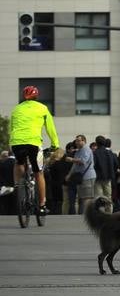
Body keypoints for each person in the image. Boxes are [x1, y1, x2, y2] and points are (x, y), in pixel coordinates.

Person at [6, 86, 60, 214]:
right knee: (38, 172)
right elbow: (50, 129)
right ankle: (42, 205)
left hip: (17, 142)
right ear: (37, 96)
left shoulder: (16, 109)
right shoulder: (42, 108)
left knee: (18, 163)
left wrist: (12, 143)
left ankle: (17, 188)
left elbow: (11, 128)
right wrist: (55, 145)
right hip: (34, 143)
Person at [69, 135, 97, 214]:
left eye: (78, 140)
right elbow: (74, 165)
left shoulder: (86, 149)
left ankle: (88, 214)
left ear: (84, 141)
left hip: (88, 176)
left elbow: (83, 161)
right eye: (76, 140)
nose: (76, 142)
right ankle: (83, 214)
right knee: (81, 197)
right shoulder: (78, 151)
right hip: (81, 177)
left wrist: (72, 159)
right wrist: (69, 174)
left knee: (87, 197)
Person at [91, 136, 118, 204]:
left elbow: (93, 165)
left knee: (98, 197)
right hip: (108, 177)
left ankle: (100, 212)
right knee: (108, 196)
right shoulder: (110, 152)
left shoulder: (95, 153)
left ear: (96, 143)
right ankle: (109, 212)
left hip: (98, 177)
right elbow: (116, 164)